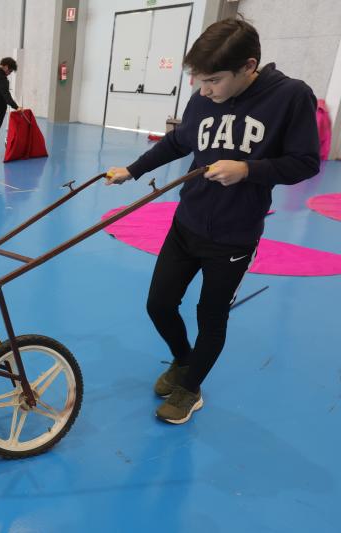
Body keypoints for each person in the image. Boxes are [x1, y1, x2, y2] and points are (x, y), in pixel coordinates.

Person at [105, 18, 320, 424]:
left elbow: (306, 162)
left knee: (211, 316)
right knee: (159, 303)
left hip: (233, 236)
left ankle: (190, 389)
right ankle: (185, 362)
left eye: (214, 81)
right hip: (186, 223)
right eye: (199, 81)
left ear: (248, 66)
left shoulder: (291, 96)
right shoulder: (204, 98)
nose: (204, 91)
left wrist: (248, 171)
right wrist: (132, 170)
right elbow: (179, 139)